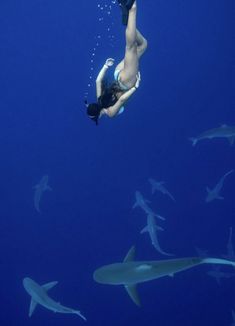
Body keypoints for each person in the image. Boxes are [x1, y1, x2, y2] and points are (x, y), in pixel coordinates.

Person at [86, 1, 147, 125]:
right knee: (143, 46)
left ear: (98, 116)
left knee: (130, 46)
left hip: (127, 81)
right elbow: (97, 81)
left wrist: (135, 88)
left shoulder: (110, 113)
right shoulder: (99, 97)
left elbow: (122, 99)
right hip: (117, 74)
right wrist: (105, 66)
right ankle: (128, 20)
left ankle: (132, 8)